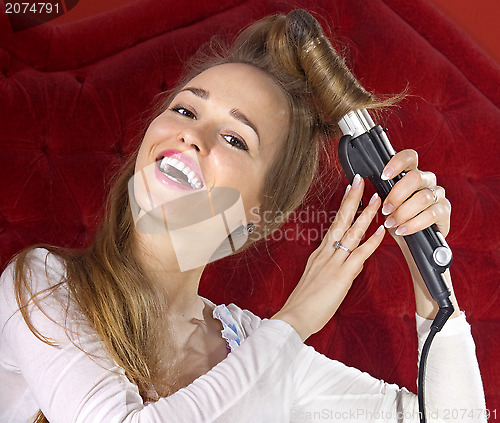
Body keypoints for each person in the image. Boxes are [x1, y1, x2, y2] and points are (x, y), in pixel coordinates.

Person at [0, 9, 485, 423]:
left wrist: (429, 279)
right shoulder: (41, 285)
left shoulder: (253, 346)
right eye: (187, 110)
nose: (192, 137)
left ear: (256, 215)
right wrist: (294, 321)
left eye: (236, 139)